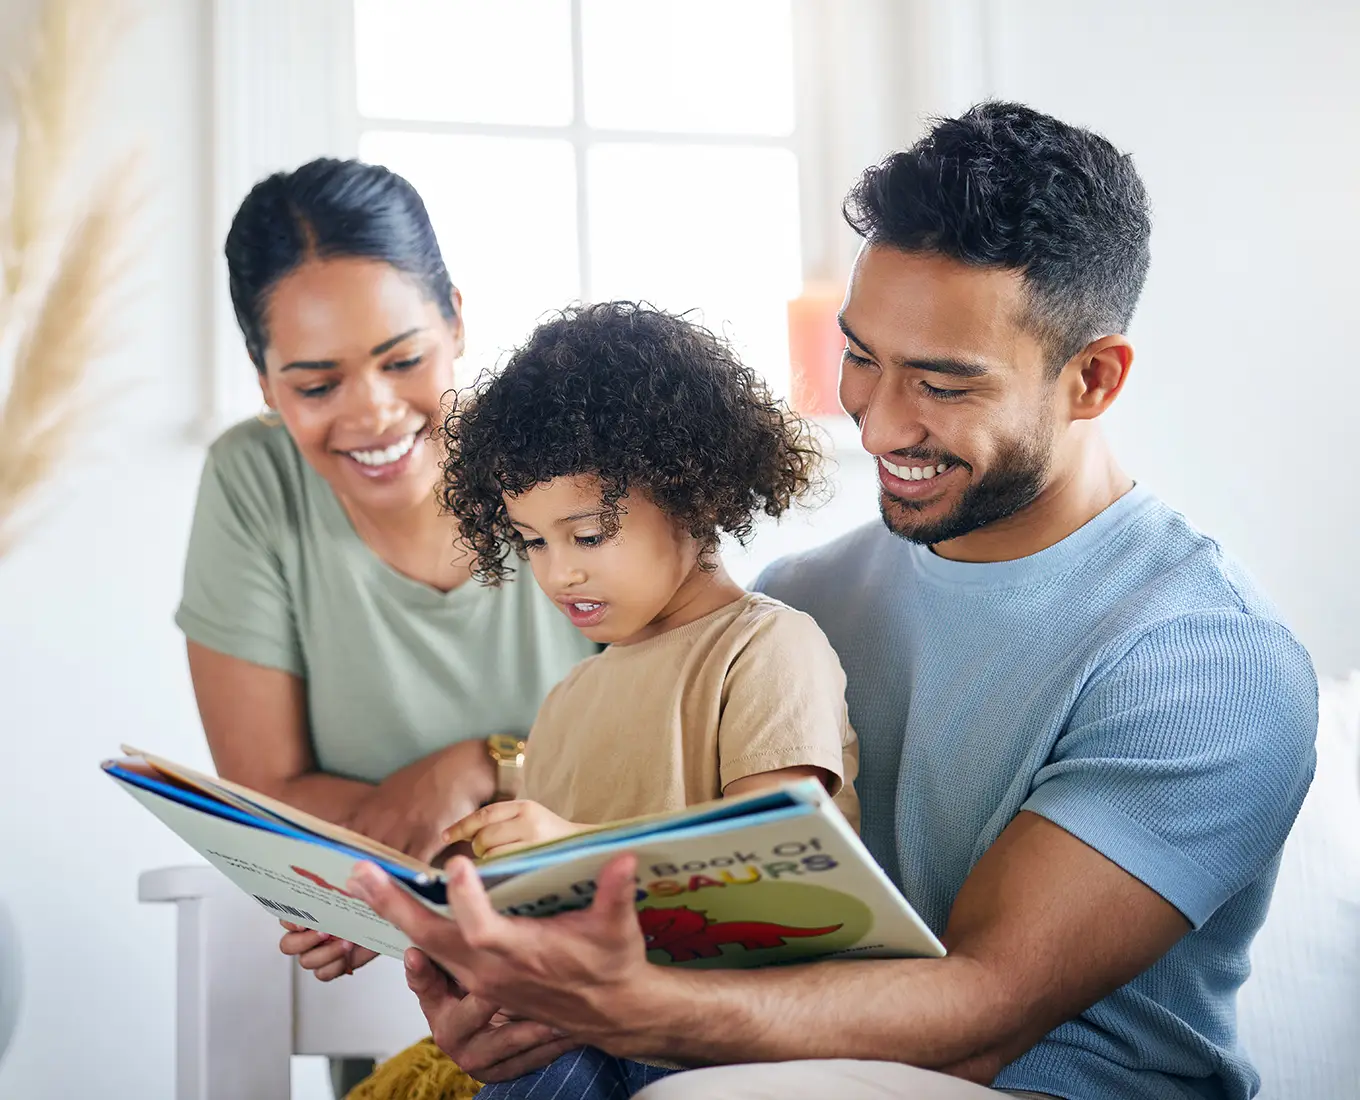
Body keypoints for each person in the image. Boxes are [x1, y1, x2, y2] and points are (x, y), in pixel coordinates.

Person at [343, 103, 1318, 1100]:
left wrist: (628, 1006)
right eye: (861, 355)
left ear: (1092, 378)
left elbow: (981, 1013)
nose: (880, 419)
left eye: (942, 382)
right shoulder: (800, 595)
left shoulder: (1206, 662)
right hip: (735, 1061)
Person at [175, 157, 596, 1093]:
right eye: (316, 383)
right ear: (264, 381)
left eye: (403, 360)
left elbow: (677, 761)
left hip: (603, 981)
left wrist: (479, 767)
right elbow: (272, 808)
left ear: (455, 318)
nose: (371, 412)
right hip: (402, 1001)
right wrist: (441, 851)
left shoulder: (574, 461)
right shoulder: (255, 484)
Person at [429, 301, 859, 1097]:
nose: (559, 574)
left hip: (738, 1033)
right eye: (532, 542)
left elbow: (782, 872)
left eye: (588, 535)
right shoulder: (568, 701)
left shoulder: (765, 648)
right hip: (592, 1027)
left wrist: (572, 848)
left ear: (692, 494)